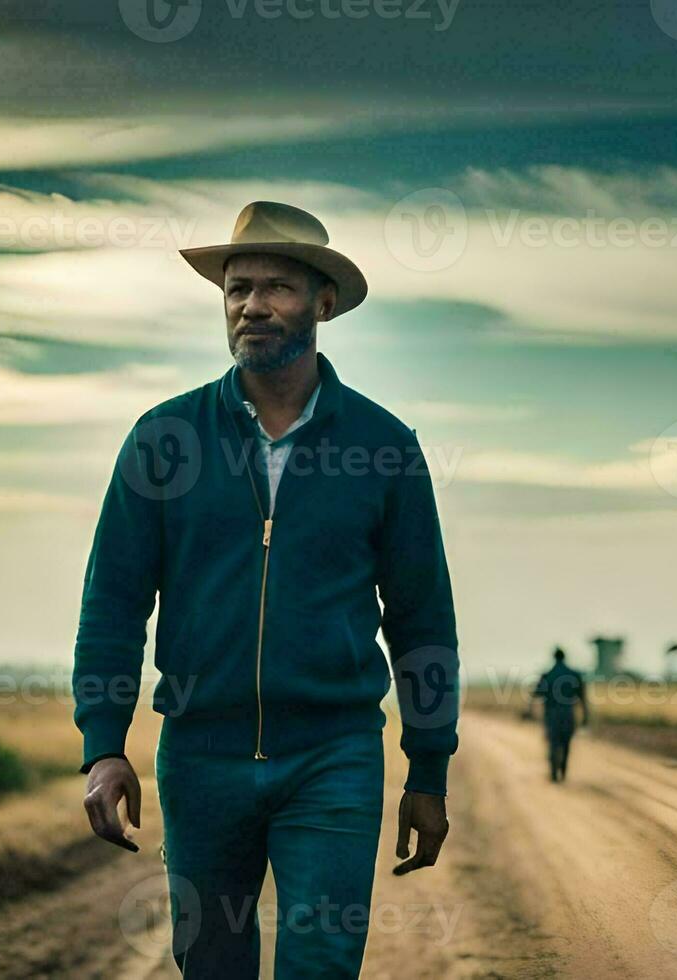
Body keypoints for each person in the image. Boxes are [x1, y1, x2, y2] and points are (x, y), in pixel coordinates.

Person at [72, 201, 460, 978]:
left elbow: (421, 621)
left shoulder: (382, 448)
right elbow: (113, 602)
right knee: (212, 965)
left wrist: (427, 771)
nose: (252, 304)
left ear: (323, 303)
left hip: (334, 757)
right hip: (199, 754)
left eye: (276, 287)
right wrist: (104, 745)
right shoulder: (165, 439)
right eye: (237, 287)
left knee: (320, 962)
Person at [530, 647, 588, 782]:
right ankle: (563, 769)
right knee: (566, 742)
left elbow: (537, 693)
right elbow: (583, 698)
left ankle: (553, 771)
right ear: (564, 657)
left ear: (554, 657)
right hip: (568, 714)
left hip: (551, 714)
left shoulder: (547, 675)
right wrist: (586, 716)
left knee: (553, 742)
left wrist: (530, 711)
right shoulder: (574, 675)